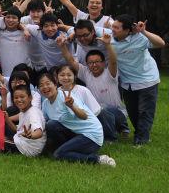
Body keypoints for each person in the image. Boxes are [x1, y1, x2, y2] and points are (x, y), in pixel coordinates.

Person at [58, 35, 129, 140]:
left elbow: (113, 61)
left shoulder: (110, 73)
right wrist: (62, 47)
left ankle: (121, 130)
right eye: (90, 63)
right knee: (93, 111)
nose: (94, 65)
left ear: (103, 63)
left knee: (103, 108)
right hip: (98, 112)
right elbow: (71, 61)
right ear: (87, 64)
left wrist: (108, 45)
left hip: (117, 112)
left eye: (97, 62)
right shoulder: (86, 73)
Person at [38, 72, 115, 166]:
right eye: (41, 85)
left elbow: (84, 116)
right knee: (51, 125)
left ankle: (98, 159)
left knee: (59, 154)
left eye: (48, 83)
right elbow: (43, 123)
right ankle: (67, 149)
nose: (45, 87)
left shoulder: (66, 97)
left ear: (55, 84)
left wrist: (72, 106)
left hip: (91, 134)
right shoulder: (45, 104)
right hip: (76, 133)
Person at [109, 15, 163, 145]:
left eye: (117, 28)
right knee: (132, 112)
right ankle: (140, 134)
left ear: (127, 30)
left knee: (145, 111)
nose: (113, 29)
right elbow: (90, 29)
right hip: (127, 82)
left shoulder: (140, 38)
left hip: (147, 79)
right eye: (113, 26)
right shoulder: (109, 37)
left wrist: (144, 31)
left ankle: (142, 140)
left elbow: (160, 43)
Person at [3, 85, 46, 157]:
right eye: (16, 98)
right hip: (22, 141)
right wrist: (7, 118)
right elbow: (17, 130)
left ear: (30, 98)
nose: (19, 100)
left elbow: (39, 132)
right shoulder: (24, 111)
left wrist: (31, 135)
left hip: (28, 148)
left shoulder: (33, 114)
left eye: (22, 97)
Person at [0, 7, 29, 77]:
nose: (10, 20)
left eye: (14, 18)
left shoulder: (26, 33)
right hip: (5, 76)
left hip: (23, 76)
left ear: (19, 21)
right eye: (8, 17)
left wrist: (24, 29)